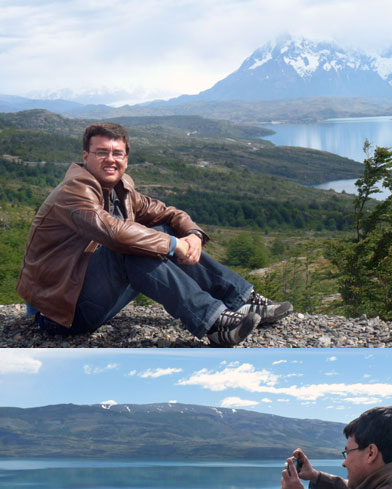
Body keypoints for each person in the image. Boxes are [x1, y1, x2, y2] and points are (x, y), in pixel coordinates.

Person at [17, 122, 292, 347]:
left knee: (159, 231)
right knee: (128, 247)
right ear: (86, 157)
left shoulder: (120, 189)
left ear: (126, 158)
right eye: (101, 152)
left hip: (87, 295)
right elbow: (112, 233)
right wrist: (175, 246)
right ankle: (215, 324)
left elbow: (167, 214)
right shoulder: (74, 191)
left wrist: (193, 235)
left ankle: (242, 300)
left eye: (117, 153)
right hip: (62, 313)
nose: (110, 159)